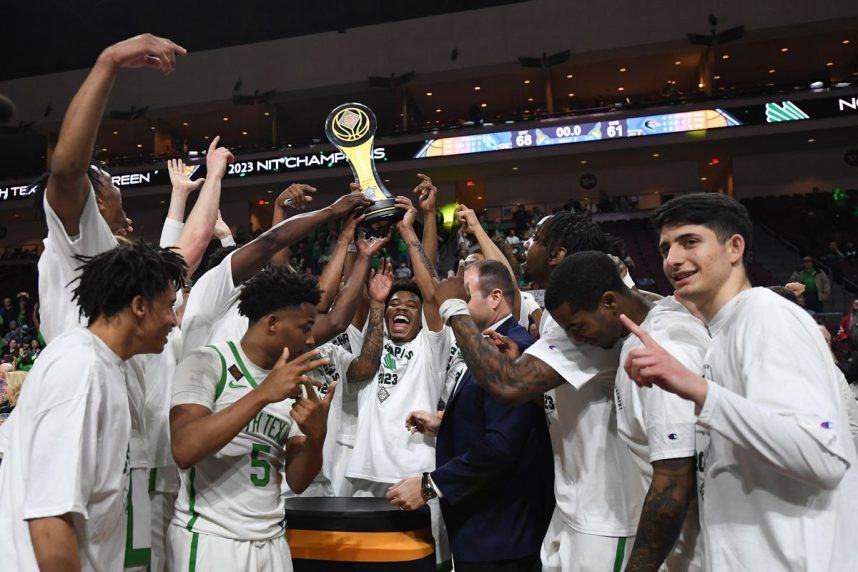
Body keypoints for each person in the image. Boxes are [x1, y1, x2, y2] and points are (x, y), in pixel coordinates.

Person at [622, 192, 858, 570]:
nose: (672, 259)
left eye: (690, 241)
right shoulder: (723, 333)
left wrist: (698, 390)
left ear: (734, 247)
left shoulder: (766, 317)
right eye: (666, 247)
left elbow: (822, 454)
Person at [433, 211, 641, 572]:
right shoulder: (569, 313)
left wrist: (453, 307)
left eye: (537, 239)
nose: (527, 245)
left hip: (605, 514)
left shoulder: (595, 315)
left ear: (558, 254)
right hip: (571, 503)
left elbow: (508, 385)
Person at [167, 264, 387, 570]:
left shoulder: (293, 381)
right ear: (272, 323)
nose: (311, 339)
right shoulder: (207, 362)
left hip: (271, 539)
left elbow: (297, 480)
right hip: (211, 538)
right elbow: (184, 449)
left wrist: (316, 436)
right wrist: (262, 394)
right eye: (305, 327)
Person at [0, 241, 185, 572]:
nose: (174, 320)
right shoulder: (81, 370)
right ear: (140, 305)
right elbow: (50, 520)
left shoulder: (109, 365)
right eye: (169, 306)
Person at [544, 251, 708, 570]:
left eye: (578, 326)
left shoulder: (654, 350)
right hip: (686, 542)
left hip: (693, 549)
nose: (576, 339)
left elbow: (674, 479)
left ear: (610, 302)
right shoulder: (661, 316)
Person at [391, 259, 553, 572]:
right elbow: (498, 422)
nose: (460, 304)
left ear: (495, 298)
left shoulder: (514, 348)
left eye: (465, 296)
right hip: (485, 528)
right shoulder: (486, 343)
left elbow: (501, 446)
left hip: (500, 532)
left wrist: (430, 485)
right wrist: (445, 425)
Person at [345, 195, 453, 565]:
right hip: (366, 474)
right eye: (395, 305)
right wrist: (377, 300)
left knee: (423, 561)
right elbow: (356, 298)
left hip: (417, 476)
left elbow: (432, 290)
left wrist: (410, 228)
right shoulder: (372, 339)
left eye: (410, 306)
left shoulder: (431, 346)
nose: (400, 308)